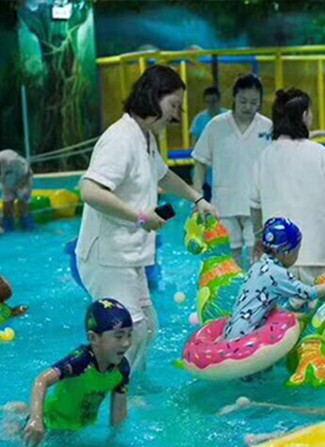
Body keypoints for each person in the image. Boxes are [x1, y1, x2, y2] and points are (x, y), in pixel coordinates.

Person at [76, 65, 217, 373]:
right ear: (153, 97)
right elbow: (89, 190)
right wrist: (140, 217)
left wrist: (197, 198)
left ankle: (130, 386)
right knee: (127, 334)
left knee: (147, 328)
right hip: (108, 257)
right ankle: (107, 390)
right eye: (173, 105)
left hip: (129, 256)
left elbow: (163, 175)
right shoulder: (121, 139)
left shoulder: (145, 138)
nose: (176, 115)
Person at [250, 88, 325, 284]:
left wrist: (258, 238)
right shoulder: (319, 153)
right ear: (304, 116)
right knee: (324, 303)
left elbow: (255, 207)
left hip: (278, 258)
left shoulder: (264, 157)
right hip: (319, 255)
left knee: (284, 305)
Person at [0, 299, 133, 447]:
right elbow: (41, 380)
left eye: (129, 335)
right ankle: (18, 414)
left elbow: (118, 417)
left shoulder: (122, 369)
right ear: (93, 338)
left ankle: (22, 409)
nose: (126, 343)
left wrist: (116, 440)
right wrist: (36, 419)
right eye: (119, 336)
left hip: (79, 429)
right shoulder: (80, 361)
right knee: (10, 437)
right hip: (50, 423)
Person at [192, 74, 273, 266]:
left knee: (258, 257)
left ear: (260, 101)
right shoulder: (216, 125)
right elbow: (200, 162)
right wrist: (198, 197)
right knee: (229, 259)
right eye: (243, 101)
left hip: (257, 205)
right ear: (234, 97)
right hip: (224, 203)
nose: (248, 107)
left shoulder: (267, 126)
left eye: (254, 102)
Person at [223, 218, 325, 341]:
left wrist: (301, 316)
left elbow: (265, 306)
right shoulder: (277, 273)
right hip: (245, 338)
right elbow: (309, 293)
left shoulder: (258, 265)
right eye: (296, 251)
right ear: (286, 253)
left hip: (233, 331)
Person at [0, 149, 34, 231]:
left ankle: (28, 229)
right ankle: (8, 231)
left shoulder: (11, 160)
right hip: (6, 182)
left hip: (23, 179)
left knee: (23, 207)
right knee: (7, 210)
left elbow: (26, 173)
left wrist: (19, 189)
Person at [190, 87, 227, 203]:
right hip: (206, 172)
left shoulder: (229, 118)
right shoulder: (200, 119)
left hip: (226, 170)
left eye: (214, 101)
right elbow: (194, 144)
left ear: (219, 101)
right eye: (208, 102)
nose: (211, 105)